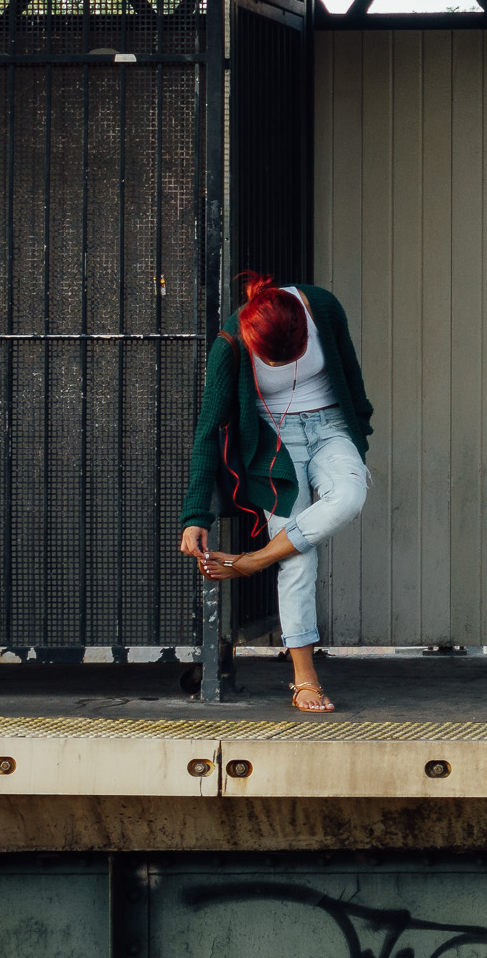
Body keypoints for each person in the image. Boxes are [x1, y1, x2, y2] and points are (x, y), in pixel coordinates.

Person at [179, 272, 374, 712]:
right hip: (276, 444)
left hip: (330, 427)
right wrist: (195, 514)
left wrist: (359, 426)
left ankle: (254, 561)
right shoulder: (230, 345)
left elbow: (351, 374)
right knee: (298, 559)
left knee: (349, 496)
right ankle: (305, 680)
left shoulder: (322, 308)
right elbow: (208, 429)